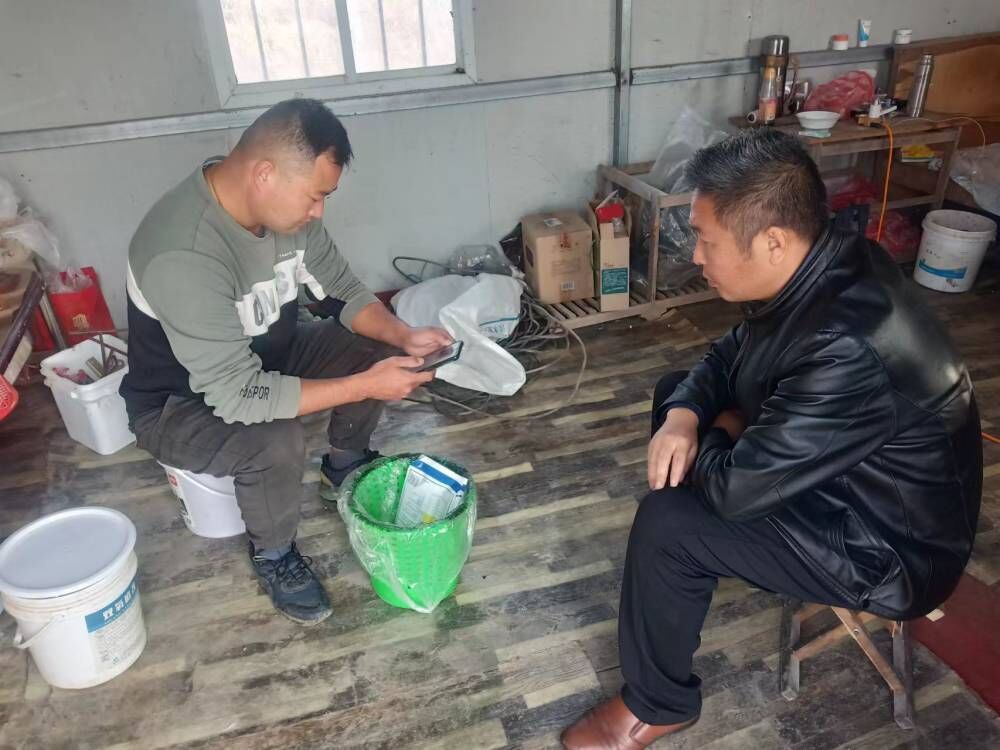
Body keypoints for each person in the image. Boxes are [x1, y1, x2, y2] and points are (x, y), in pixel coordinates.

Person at [561, 129, 982, 749]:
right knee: (678, 394)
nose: (696, 255)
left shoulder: (846, 345)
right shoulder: (826, 264)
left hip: (887, 548)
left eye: (705, 240)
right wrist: (685, 416)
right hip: (845, 478)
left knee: (669, 525)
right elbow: (726, 355)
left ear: (773, 241)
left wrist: (724, 429)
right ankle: (687, 543)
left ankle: (659, 704)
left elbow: (732, 493)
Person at [120, 99, 452, 625]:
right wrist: (366, 386)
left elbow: (340, 289)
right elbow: (238, 396)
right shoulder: (182, 252)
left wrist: (403, 334)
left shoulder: (285, 215)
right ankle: (274, 555)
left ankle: (344, 467)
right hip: (178, 404)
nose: (318, 212)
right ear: (264, 174)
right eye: (315, 196)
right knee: (275, 439)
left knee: (376, 346)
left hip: (267, 356)